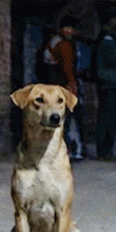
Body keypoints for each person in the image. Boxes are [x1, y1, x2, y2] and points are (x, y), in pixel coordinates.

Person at [43, 16, 84, 159]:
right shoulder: (64, 45)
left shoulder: (52, 42)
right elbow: (67, 67)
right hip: (60, 84)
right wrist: (72, 84)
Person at [92, 17, 116, 161]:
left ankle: (106, 149)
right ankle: (105, 150)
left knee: (107, 118)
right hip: (110, 83)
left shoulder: (107, 40)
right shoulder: (108, 41)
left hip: (110, 82)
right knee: (109, 118)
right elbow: (113, 61)